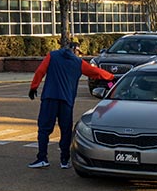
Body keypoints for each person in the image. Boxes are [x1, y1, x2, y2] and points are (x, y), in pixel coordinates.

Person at [27, 38, 115, 169]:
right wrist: (111, 79)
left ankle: (42, 157)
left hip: (50, 97)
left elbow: (40, 71)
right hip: (66, 100)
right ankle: (64, 160)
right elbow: (97, 73)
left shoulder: (52, 56)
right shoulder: (78, 63)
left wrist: (34, 87)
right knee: (66, 130)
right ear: (76, 51)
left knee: (44, 129)